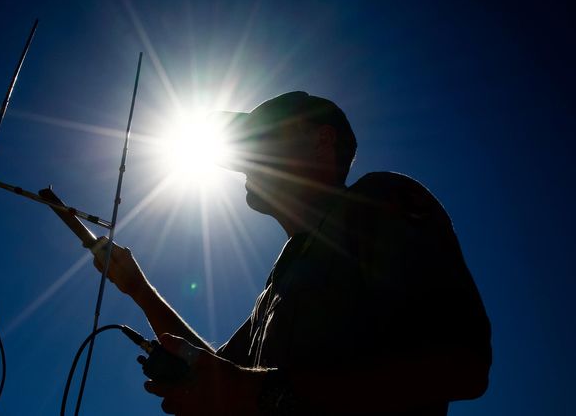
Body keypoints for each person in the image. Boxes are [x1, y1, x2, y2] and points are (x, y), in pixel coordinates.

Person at [91, 91, 491, 415]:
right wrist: (137, 288)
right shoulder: (281, 274)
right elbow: (220, 375)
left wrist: (260, 394)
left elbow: (462, 365)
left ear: (321, 141)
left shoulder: (376, 199)